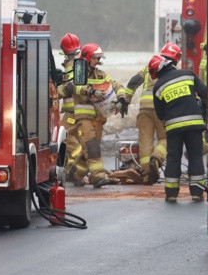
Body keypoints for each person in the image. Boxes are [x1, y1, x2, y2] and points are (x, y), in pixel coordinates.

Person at [152, 44, 208, 203]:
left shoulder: (158, 87)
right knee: (195, 157)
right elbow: (205, 93)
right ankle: (197, 192)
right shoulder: (188, 74)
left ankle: (171, 194)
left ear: (157, 71)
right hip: (194, 125)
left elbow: (160, 114)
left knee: (173, 159)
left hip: (173, 128)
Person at [71, 43, 117, 188]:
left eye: (98, 58)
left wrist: (122, 99)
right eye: (95, 58)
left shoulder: (101, 74)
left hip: (98, 119)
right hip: (83, 118)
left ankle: (76, 172)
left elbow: (116, 85)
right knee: (91, 146)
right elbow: (71, 87)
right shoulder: (78, 73)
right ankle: (98, 177)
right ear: (87, 58)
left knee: (90, 147)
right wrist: (90, 91)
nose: (98, 61)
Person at [119, 56, 168, 185]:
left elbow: (133, 82)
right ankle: (156, 159)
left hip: (144, 109)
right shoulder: (169, 68)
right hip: (161, 108)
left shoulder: (148, 67)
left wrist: (126, 101)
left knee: (145, 141)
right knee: (165, 138)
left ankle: (147, 175)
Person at [56, 33, 86, 186]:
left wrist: (55, 94)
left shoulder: (71, 65)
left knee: (64, 137)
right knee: (78, 139)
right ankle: (75, 172)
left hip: (72, 112)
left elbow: (70, 87)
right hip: (79, 110)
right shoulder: (81, 63)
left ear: (63, 49)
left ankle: (76, 165)